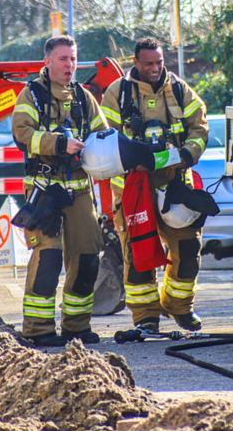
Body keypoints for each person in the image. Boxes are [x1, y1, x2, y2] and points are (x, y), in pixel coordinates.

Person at [100, 37, 209, 333]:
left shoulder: (179, 90)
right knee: (138, 255)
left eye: (159, 63)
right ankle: (146, 317)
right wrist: (129, 158)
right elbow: (104, 137)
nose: (154, 68)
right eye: (148, 63)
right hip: (134, 189)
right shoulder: (117, 94)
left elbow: (199, 127)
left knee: (188, 249)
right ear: (135, 63)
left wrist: (188, 153)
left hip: (174, 185)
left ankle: (178, 306)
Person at [11, 35, 108, 347]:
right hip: (44, 193)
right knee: (48, 257)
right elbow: (22, 133)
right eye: (63, 59)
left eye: (73, 59)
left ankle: (77, 327)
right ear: (48, 62)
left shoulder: (83, 97)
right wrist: (59, 143)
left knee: (87, 258)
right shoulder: (31, 95)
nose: (70, 65)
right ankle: (38, 330)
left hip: (80, 191)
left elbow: (102, 134)